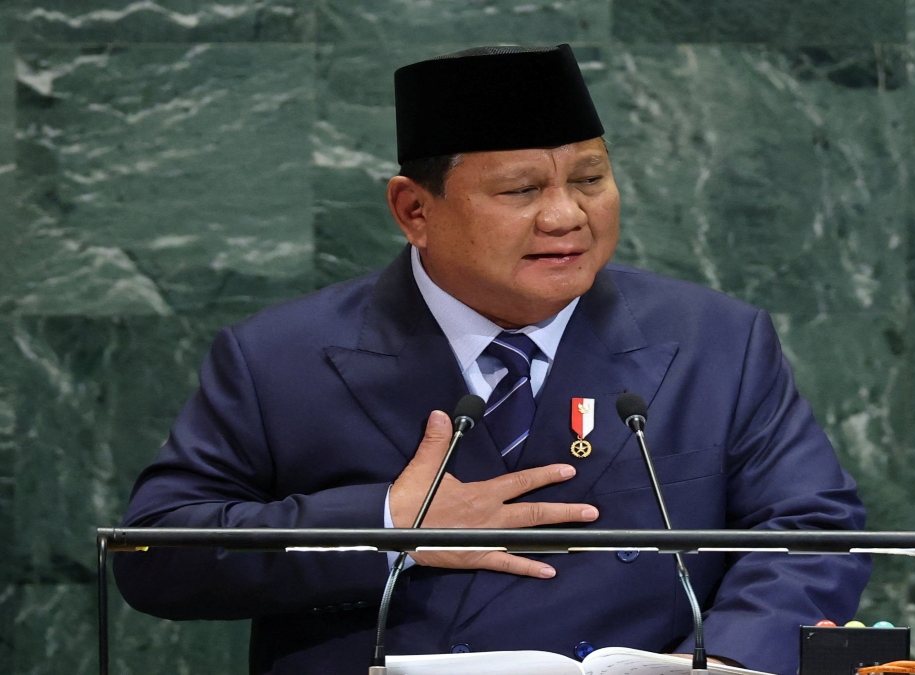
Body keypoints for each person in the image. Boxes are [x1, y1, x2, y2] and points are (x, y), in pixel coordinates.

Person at [114, 44, 871, 675]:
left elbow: (812, 529)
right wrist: (385, 524)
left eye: (589, 178)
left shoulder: (717, 340)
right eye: (522, 189)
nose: (567, 215)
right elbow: (154, 553)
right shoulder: (279, 358)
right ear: (415, 210)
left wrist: (729, 663)